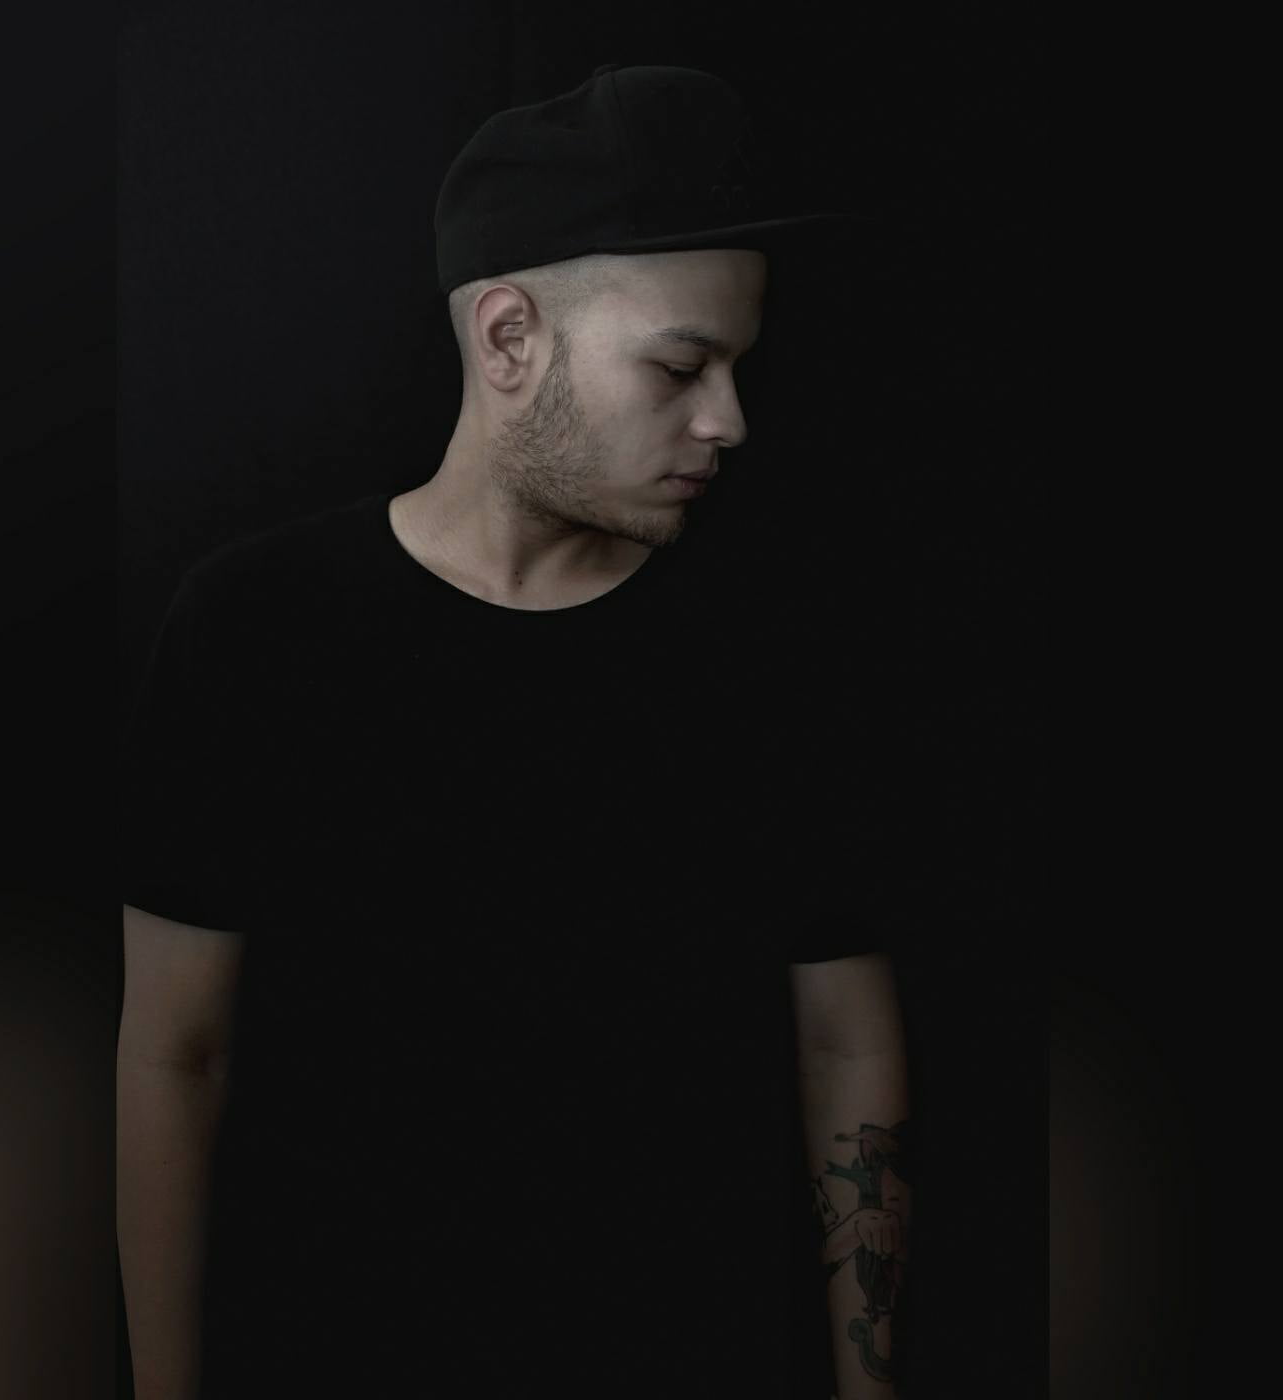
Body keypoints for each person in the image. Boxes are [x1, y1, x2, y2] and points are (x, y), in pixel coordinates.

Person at [118, 63, 913, 1399]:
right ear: (507, 340)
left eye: (738, 366)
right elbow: (173, 1056)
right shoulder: (255, 631)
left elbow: (849, 1046)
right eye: (682, 366)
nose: (728, 420)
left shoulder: (774, 650)